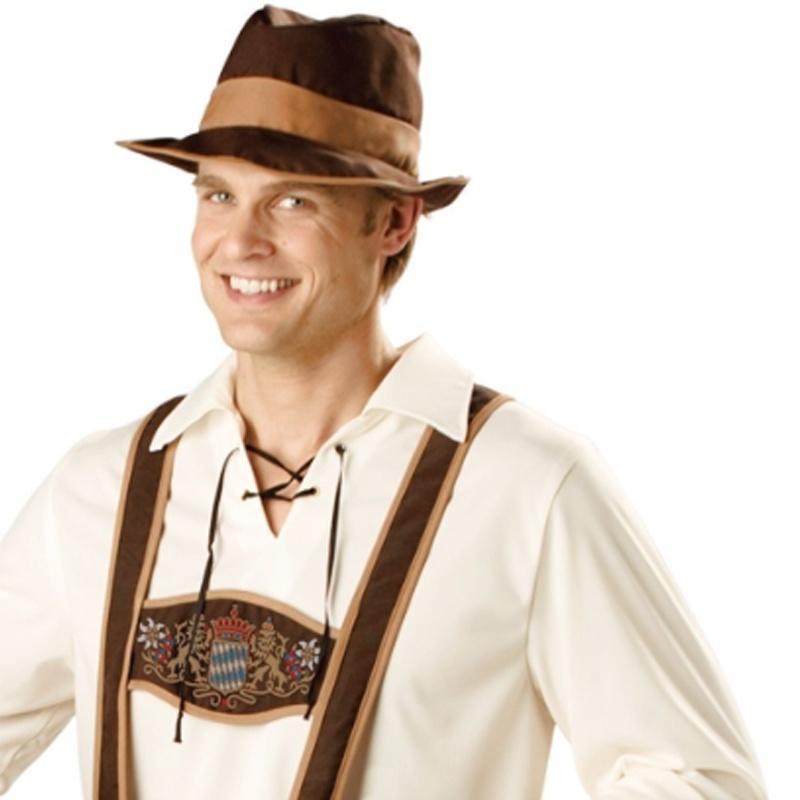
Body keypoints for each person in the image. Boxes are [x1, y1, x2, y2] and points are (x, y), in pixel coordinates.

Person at [0, 5, 768, 799]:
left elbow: (699, 782)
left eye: (293, 201)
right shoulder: (102, 486)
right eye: (219, 194)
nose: (240, 241)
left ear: (394, 222)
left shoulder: (526, 484)